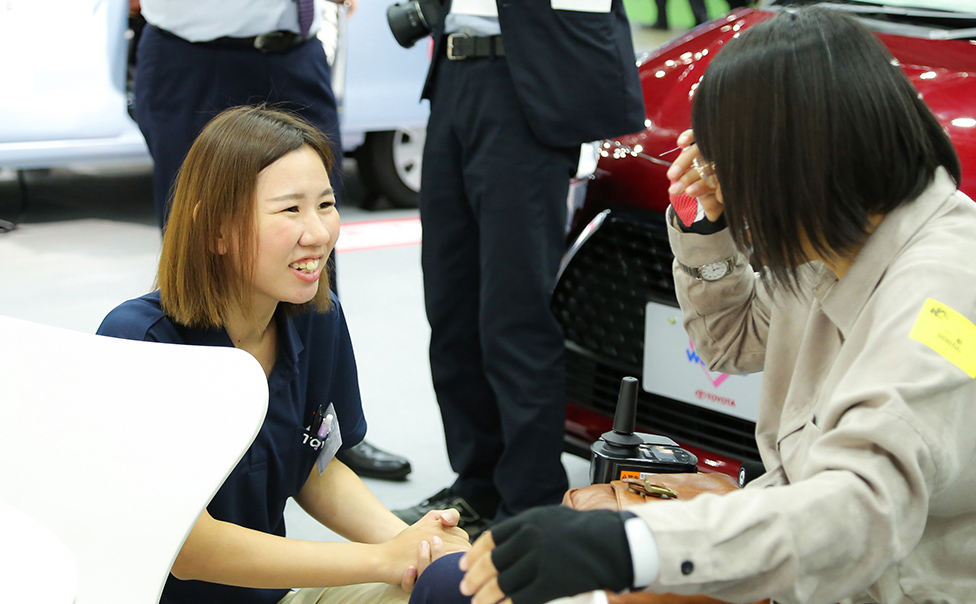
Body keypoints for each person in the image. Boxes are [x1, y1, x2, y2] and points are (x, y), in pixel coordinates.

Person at [423, 6, 976, 604]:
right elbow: (729, 344)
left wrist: (631, 545)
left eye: (726, 160)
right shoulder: (835, 233)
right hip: (796, 549)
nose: (717, 178)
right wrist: (704, 225)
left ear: (797, 161)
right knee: (451, 586)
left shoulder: (941, 291)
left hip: (883, 584)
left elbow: (856, 511)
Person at [97, 106, 470, 604]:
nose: (318, 233)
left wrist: (422, 548)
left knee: (459, 587)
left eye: (326, 204)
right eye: (290, 210)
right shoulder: (140, 341)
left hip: (272, 598)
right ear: (215, 229)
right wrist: (384, 558)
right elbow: (189, 549)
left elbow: (313, 466)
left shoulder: (316, 318)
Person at [392, 0, 645, 539]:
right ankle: (478, 482)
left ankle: (530, 500)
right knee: (450, 303)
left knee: (514, 313)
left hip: (527, 82)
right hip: (454, 74)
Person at [132, 0, 413, 481]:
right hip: (191, 55)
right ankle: (211, 438)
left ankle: (323, 433)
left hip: (293, 53)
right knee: (204, 250)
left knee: (308, 242)